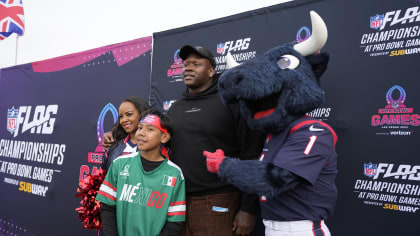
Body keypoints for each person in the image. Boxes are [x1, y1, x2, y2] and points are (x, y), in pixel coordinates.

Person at [167, 45, 265, 236]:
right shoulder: (175, 109)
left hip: (220, 201)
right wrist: (117, 133)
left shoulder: (232, 102)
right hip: (177, 202)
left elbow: (251, 154)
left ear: (211, 71)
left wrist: (248, 209)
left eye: (196, 64)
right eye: (186, 64)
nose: (188, 68)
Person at [96, 109, 186, 236]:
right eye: (140, 128)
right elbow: (107, 207)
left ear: (164, 137)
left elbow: (174, 222)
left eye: (150, 129)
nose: (141, 133)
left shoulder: (175, 174)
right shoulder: (119, 164)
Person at [101, 96, 149, 171]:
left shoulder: (154, 146)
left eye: (129, 114)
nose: (124, 120)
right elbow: (105, 175)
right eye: (121, 117)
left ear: (142, 114)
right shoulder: (114, 145)